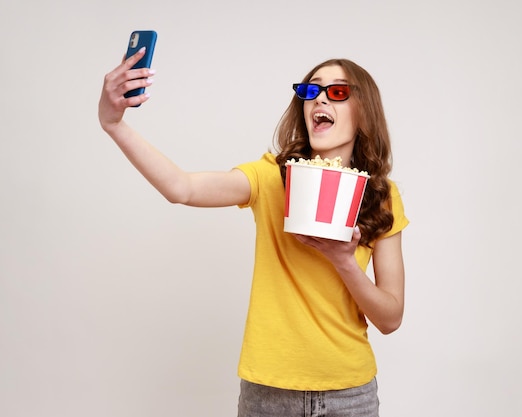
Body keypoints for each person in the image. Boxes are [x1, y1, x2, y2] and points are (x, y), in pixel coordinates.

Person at [99, 48, 409, 417]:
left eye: (338, 92)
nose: (319, 98)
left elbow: (390, 318)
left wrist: (343, 261)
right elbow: (181, 188)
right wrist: (114, 125)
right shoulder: (271, 177)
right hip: (268, 393)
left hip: (349, 394)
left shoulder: (382, 197)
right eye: (310, 91)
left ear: (364, 112)